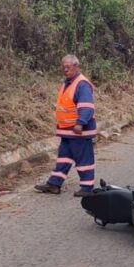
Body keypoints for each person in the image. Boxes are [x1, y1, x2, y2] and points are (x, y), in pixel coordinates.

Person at [34, 54, 97, 197]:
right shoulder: (67, 83)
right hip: (67, 131)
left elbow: (86, 106)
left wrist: (80, 123)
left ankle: (87, 188)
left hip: (78, 131)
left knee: (84, 159)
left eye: (68, 67)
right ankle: (54, 184)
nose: (65, 69)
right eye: (63, 67)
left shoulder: (82, 84)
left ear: (76, 66)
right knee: (64, 157)